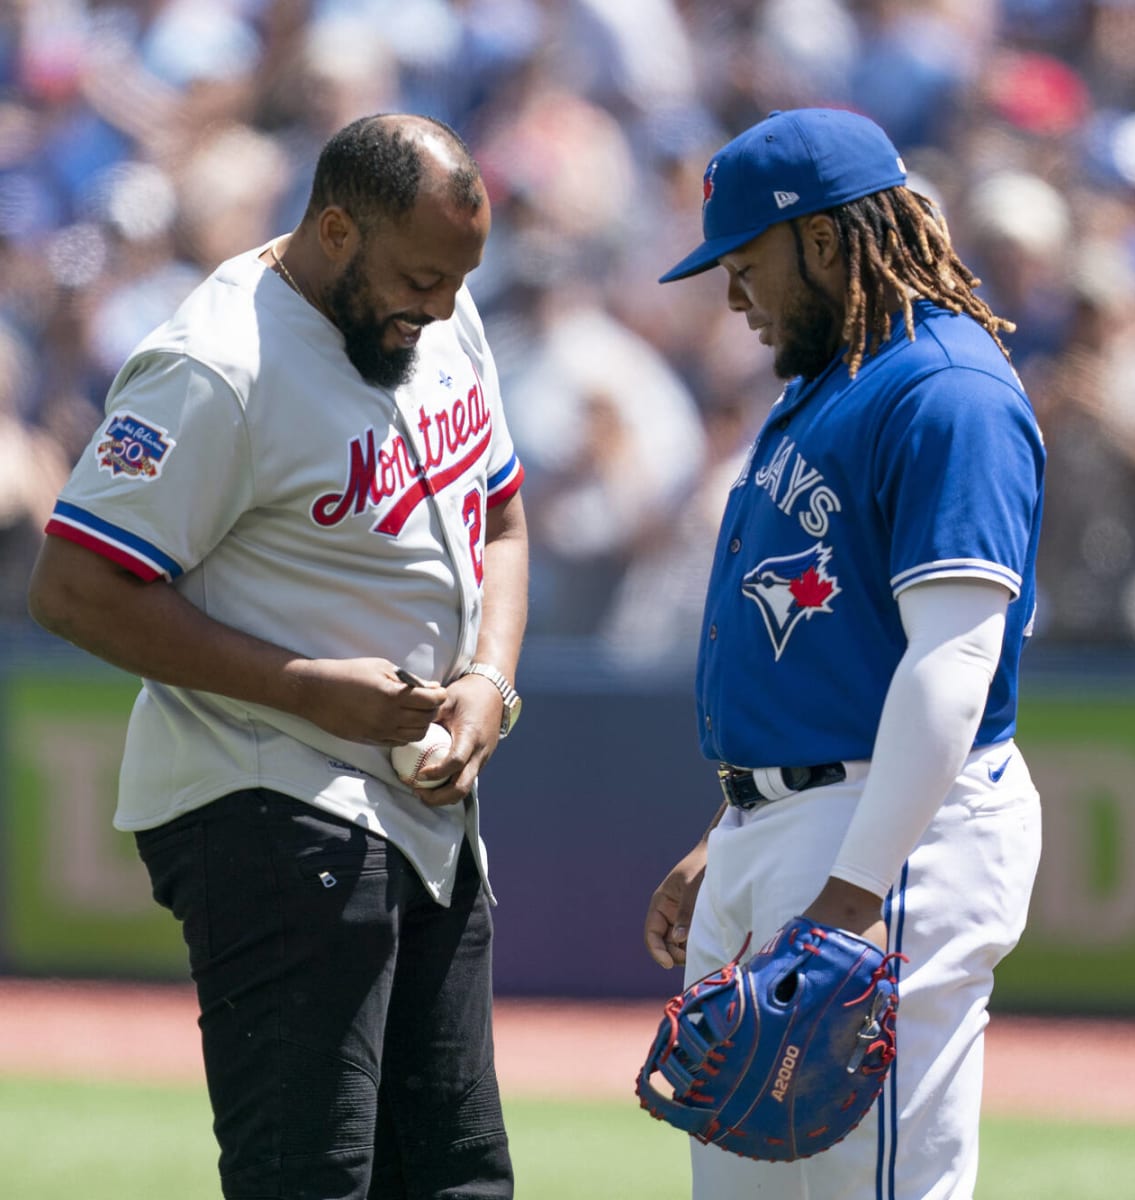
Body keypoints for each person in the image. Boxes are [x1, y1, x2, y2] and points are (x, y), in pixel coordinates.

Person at [28, 113, 528, 1200]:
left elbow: (502, 516)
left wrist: (490, 675)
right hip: (271, 791)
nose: (440, 306)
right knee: (311, 1178)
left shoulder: (436, 307)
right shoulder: (215, 364)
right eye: (419, 277)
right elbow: (72, 589)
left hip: (426, 802)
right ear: (337, 231)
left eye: (457, 278)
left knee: (458, 1180)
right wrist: (308, 688)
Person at [642, 108, 1044, 1200]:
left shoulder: (946, 393)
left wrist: (850, 896)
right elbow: (836, 651)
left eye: (746, 259)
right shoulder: (835, 383)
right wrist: (737, 826)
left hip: (891, 839)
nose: (732, 293)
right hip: (798, 823)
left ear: (823, 240)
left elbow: (953, 663)